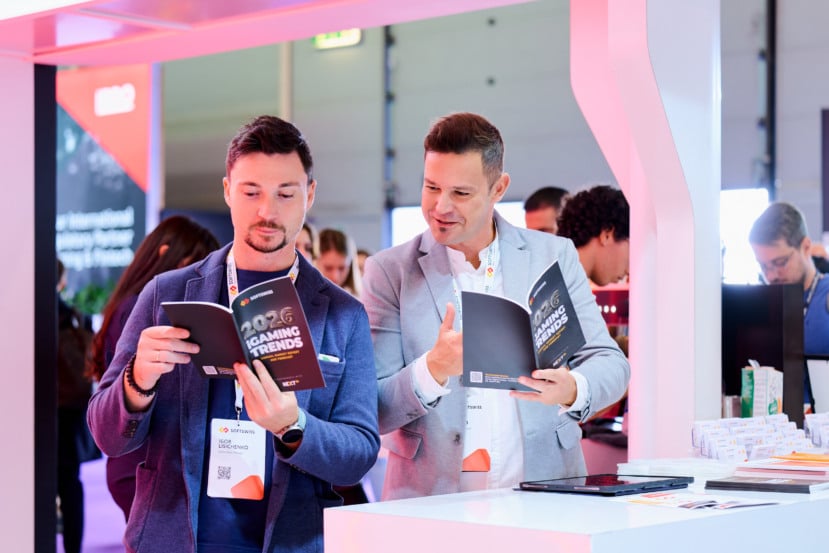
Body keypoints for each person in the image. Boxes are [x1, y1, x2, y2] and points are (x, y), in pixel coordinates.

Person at [87, 115, 380, 553]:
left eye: (285, 194)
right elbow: (106, 435)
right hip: (173, 538)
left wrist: (294, 426)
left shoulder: (343, 314)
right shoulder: (165, 294)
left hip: (289, 540)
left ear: (309, 195)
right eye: (251, 192)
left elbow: (358, 454)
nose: (267, 212)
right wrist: (138, 380)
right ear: (227, 190)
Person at [361, 112, 629, 500]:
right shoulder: (390, 271)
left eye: (461, 193)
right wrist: (431, 370)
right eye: (431, 187)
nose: (440, 206)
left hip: (546, 492)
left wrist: (573, 387)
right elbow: (372, 406)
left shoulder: (552, 255)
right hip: (431, 501)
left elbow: (611, 363)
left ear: (498, 188)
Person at [87, 215, 220, 521]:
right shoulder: (140, 310)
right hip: (142, 460)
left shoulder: (127, 305)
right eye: (193, 265)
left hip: (137, 459)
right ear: (165, 254)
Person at [749, 201, 829, 406]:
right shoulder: (761, 306)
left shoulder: (825, 295)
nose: (772, 275)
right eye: (764, 266)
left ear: (806, 247)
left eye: (780, 263)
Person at [56, 259, 95, 553]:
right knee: (69, 483)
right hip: (68, 412)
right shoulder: (75, 317)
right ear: (62, 281)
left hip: (44, 412)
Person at [557, 185, 630, 286]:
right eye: (631, 252)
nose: (629, 271)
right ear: (607, 235)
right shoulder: (558, 287)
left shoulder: (559, 279)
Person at [317, 228, 363, 297]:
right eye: (328, 268)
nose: (335, 277)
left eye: (342, 268)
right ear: (314, 262)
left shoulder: (359, 299)